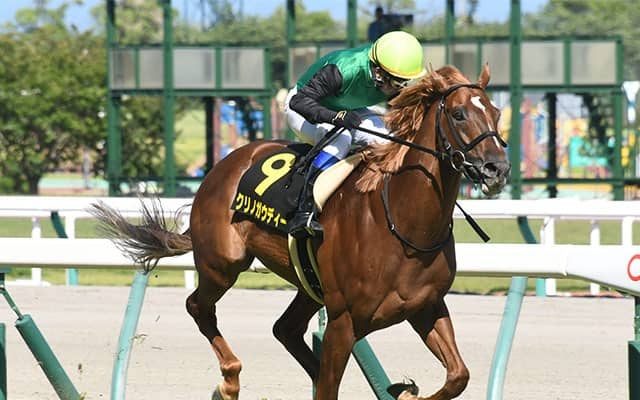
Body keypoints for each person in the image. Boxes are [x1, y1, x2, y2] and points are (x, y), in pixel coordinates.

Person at [284, 30, 427, 239]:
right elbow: (299, 102)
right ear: (379, 72)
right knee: (341, 141)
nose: (400, 88)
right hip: (303, 109)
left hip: (347, 107)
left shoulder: (387, 73)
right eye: (397, 83)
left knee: (387, 138)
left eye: (404, 82)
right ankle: (304, 209)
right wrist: (336, 116)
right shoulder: (344, 69)